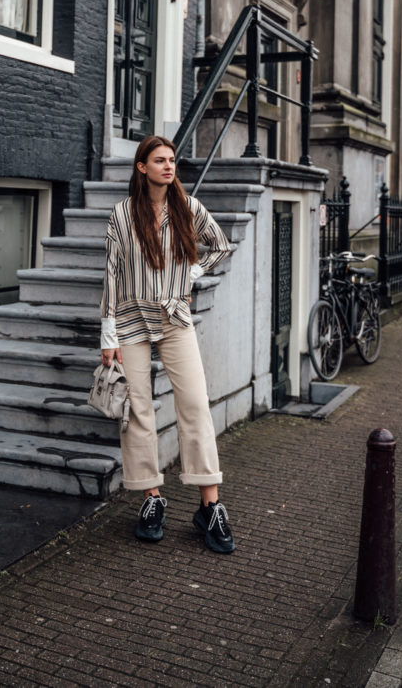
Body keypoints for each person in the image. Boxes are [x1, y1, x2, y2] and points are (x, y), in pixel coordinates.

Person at [100, 135, 235, 553]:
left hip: (175, 316)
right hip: (129, 318)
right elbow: (112, 273)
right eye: (159, 160)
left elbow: (221, 245)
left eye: (172, 160)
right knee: (138, 410)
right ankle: (151, 499)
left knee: (194, 403)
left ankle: (209, 506)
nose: (168, 166)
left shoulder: (188, 207)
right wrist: (108, 334)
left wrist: (191, 273)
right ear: (141, 166)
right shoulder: (122, 215)